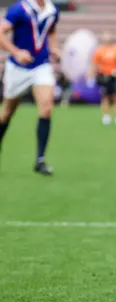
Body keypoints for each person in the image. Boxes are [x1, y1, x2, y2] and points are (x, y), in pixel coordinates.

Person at [0, 0, 60, 175]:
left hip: (41, 65)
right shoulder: (19, 9)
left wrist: (54, 47)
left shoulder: (52, 10)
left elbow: (52, 30)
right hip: (17, 68)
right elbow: (1, 34)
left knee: (47, 107)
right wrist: (16, 52)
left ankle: (40, 160)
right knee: (7, 112)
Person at [90, 31, 116, 126]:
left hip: (114, 76)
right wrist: (94, 74)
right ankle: (106, 115)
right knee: (105, 97)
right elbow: (95, 64)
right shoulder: (99, 50)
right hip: (104, 76)